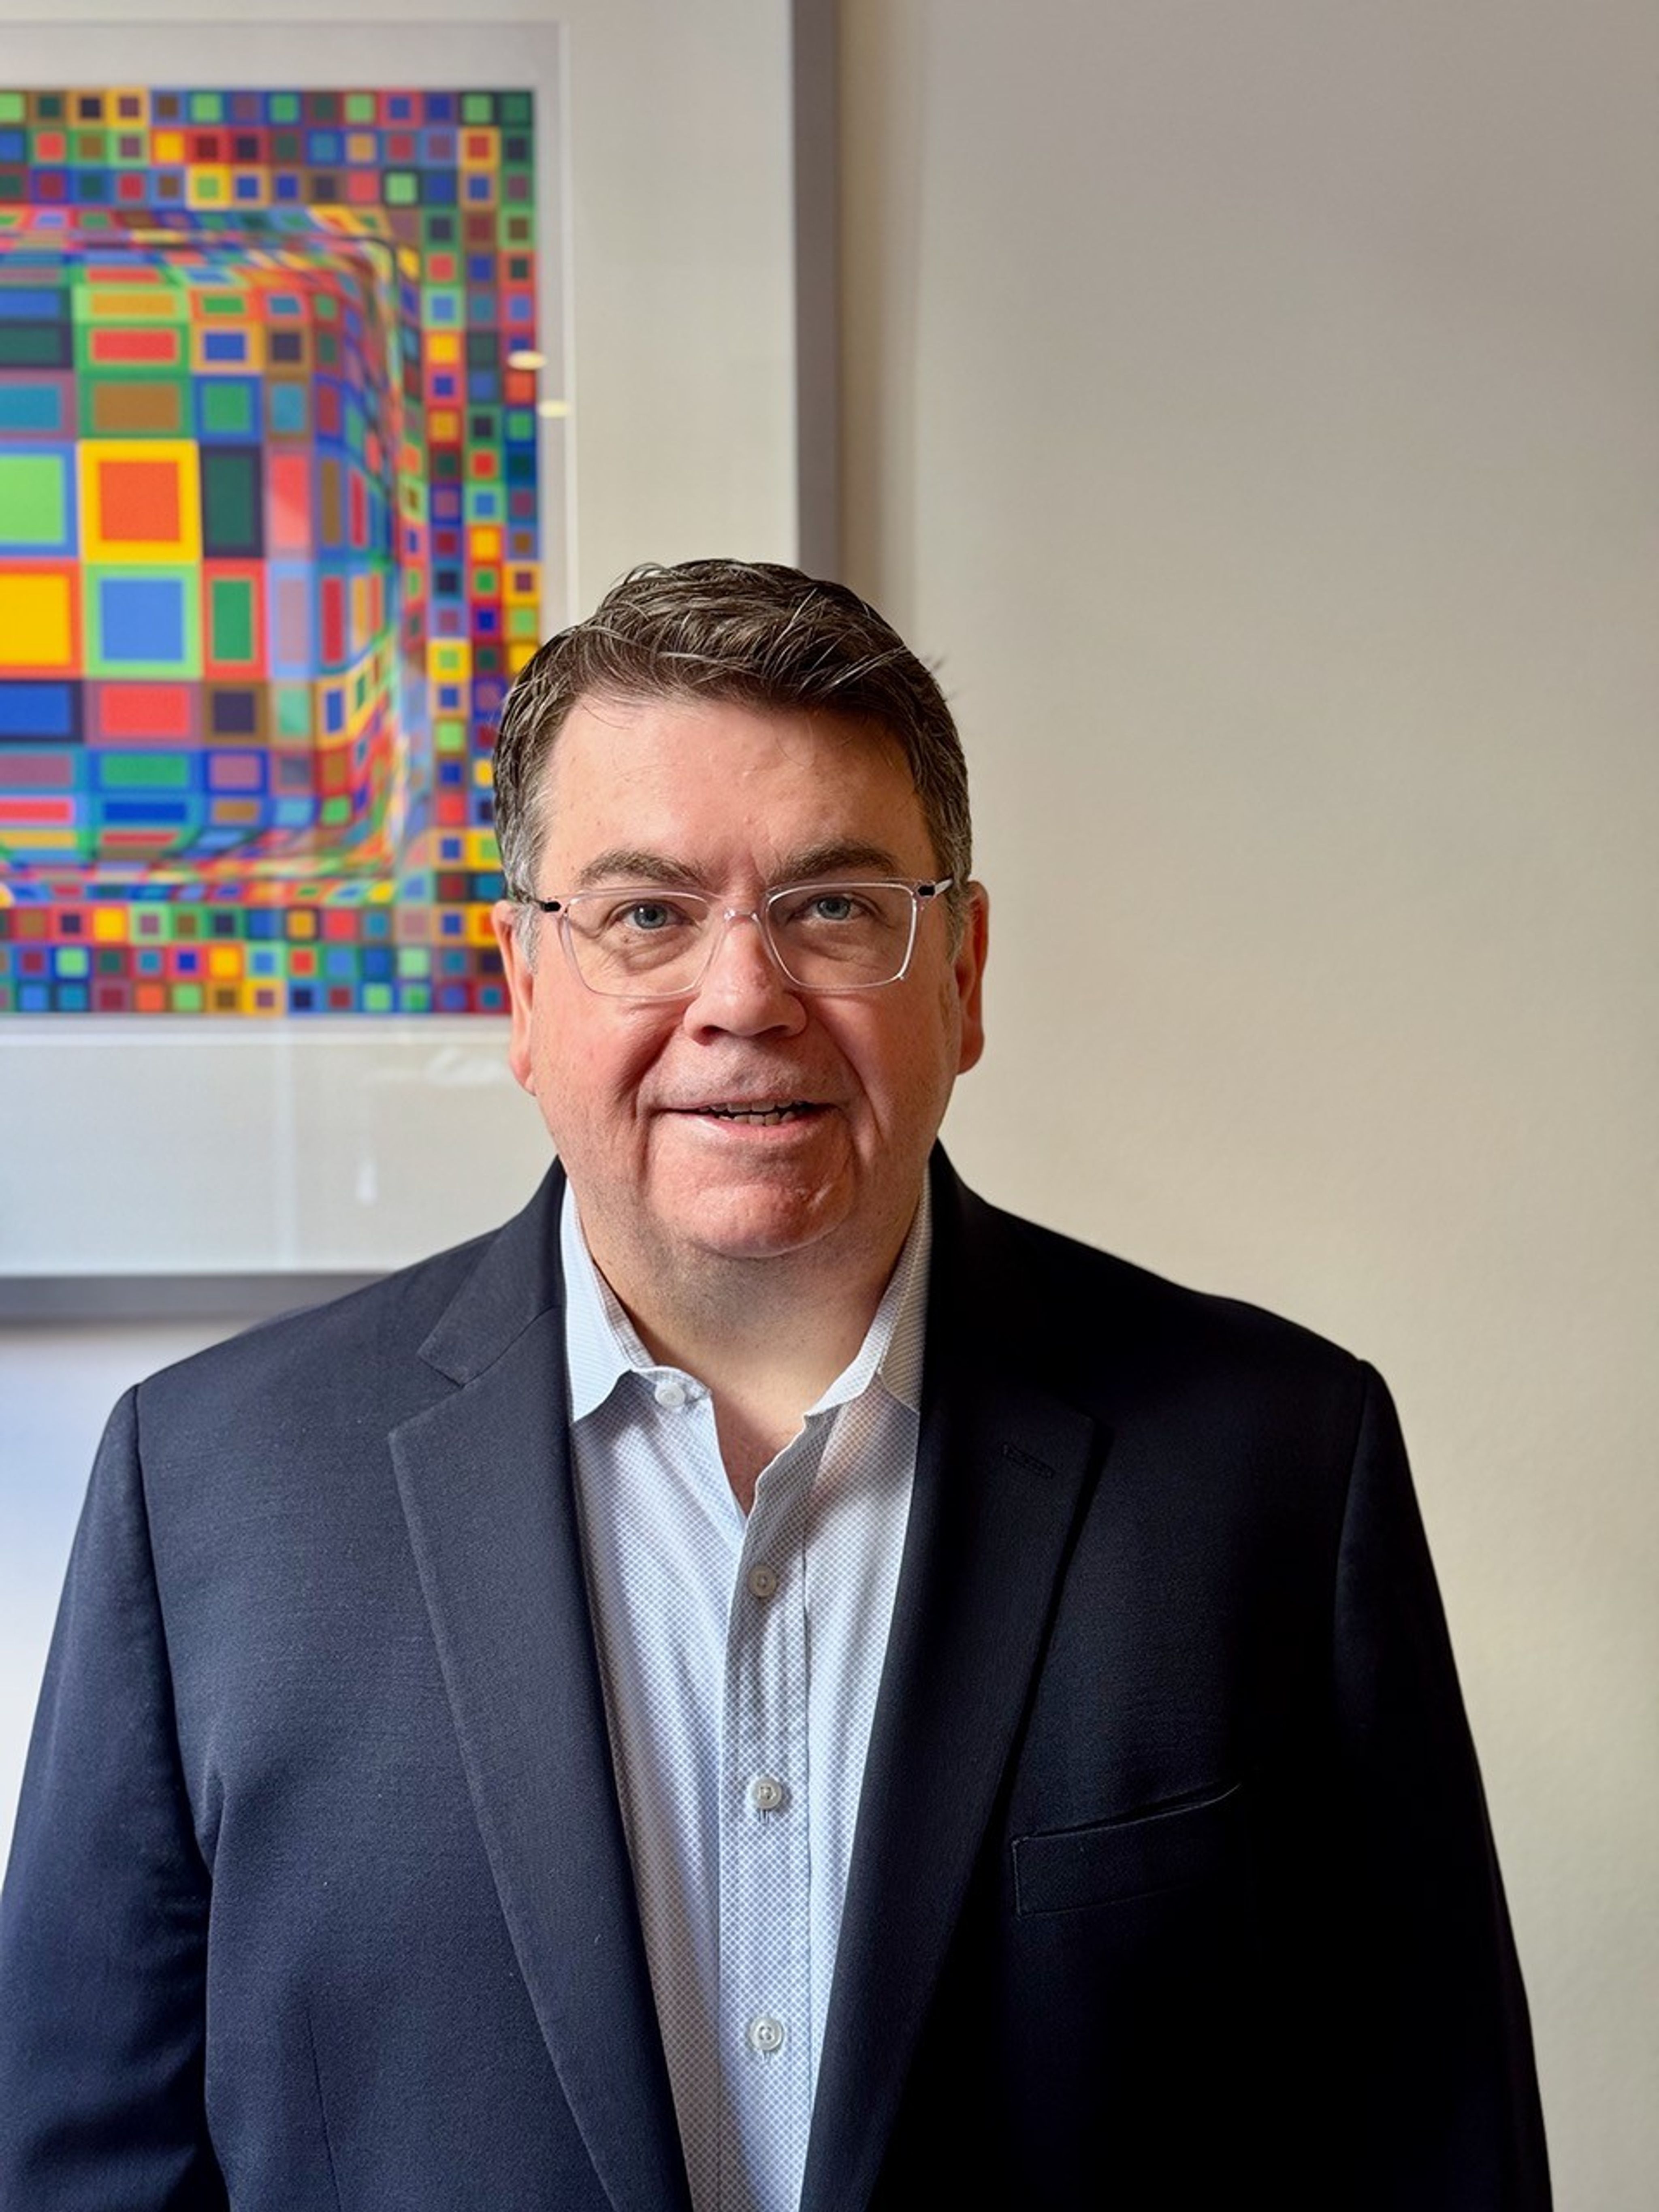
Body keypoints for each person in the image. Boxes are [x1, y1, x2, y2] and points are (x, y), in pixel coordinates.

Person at [0, 560, 1548, 2210]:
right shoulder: (205, 1489)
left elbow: (1432, 2160)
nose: (743, 1000)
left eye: (834, 908)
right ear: (523, 986)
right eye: (647, 915)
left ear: (960, 976)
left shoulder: (1278, 1463)